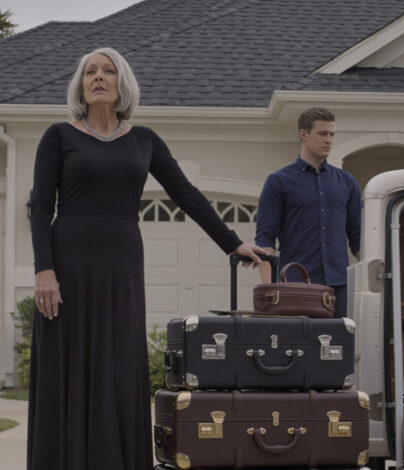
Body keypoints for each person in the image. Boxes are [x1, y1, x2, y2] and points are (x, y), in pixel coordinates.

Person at [28, 47, 268, 470]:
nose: (98, 77)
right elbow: (41, 205)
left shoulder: (144, 140)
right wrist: (43, 269)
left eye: (108, 70)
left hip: (121, 265)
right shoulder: (58, 137)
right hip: (68, 265)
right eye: (90, 72)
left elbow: (185, 193)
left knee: (117, 363)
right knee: (69, 363)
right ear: (80, 86)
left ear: (122, 83)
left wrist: (232, 242)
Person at [256, 107, 361, 317]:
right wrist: (270, 289)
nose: (329, 140)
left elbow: (358, 237)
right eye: (322, 134)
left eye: (331, 134)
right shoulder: (279, 181)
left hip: (339, 286)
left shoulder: (347, 182)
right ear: (303, 134)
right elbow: (265, 239)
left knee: (340, 338)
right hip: (295, 285)